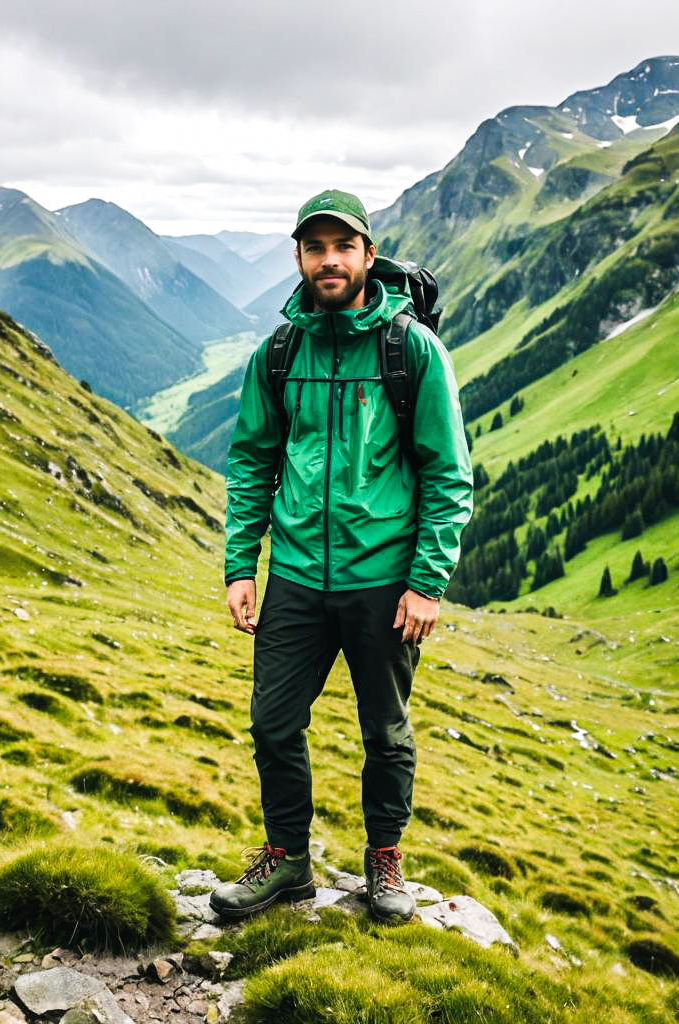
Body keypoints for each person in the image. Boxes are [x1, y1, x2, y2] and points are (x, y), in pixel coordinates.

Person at [210, 189, 473, 924]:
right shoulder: (280, 352)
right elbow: (253, 461)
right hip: (294, 574)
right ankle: (287, 861)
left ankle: (384, 861)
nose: (329, 260)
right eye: (315, 247)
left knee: (384, 732)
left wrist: (426, 583)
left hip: (383, 581)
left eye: (343, 247)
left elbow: (448, 471)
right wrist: (241, 565)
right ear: (298, 258)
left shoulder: (409, 349)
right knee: (272, 723)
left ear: (367, 254)